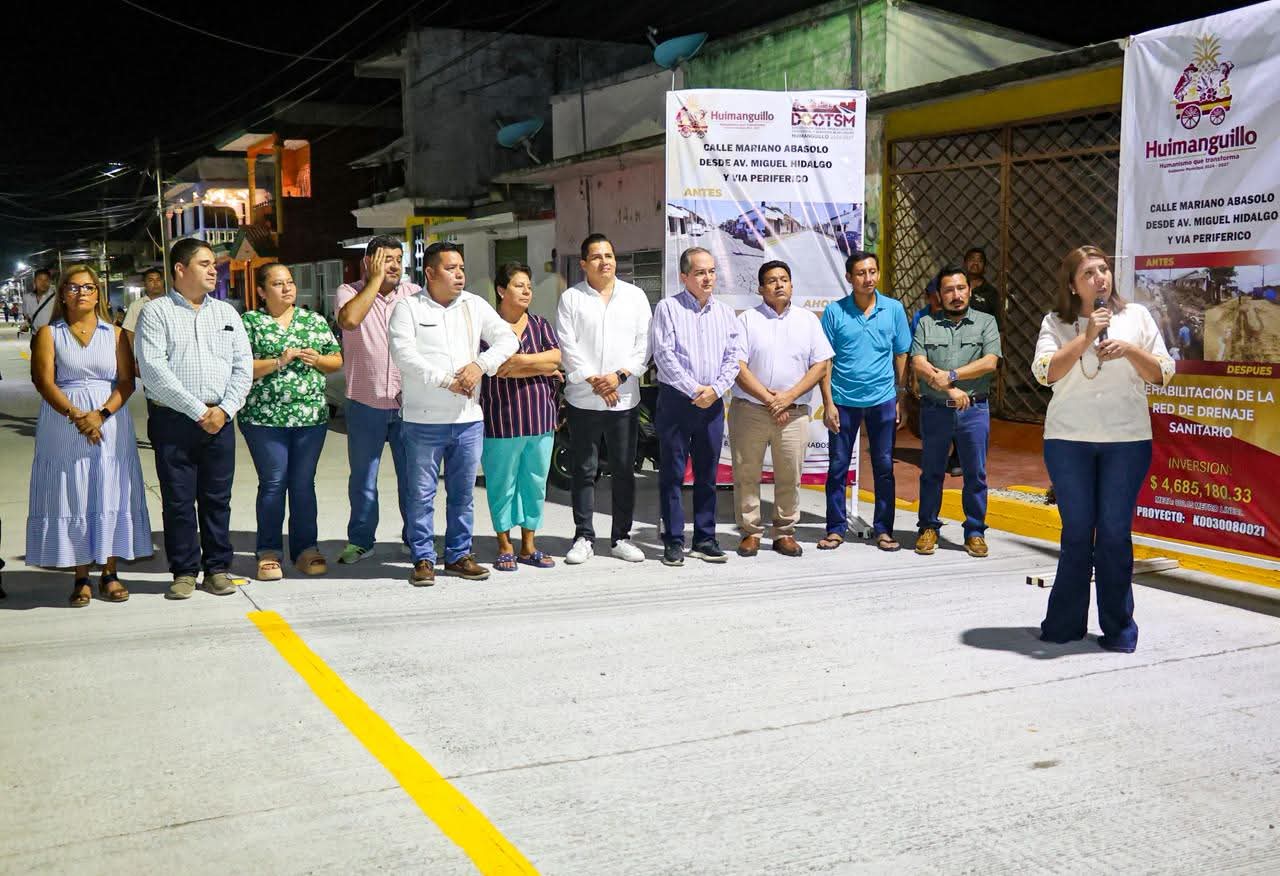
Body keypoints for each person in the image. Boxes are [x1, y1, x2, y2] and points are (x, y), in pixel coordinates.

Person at [1032, 245, 1174, 653]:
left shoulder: (1137, 318)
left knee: (1114, 534)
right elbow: (1046, 373)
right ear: (1074, 286)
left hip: (1126, 442)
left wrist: (1129, 349)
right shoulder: (1056, 322)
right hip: (1068, 442)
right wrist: (1086, 336)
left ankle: (1119, 629)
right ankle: (1063, 624)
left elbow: (1163, 373)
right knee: (1077, 533)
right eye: (1090, 273)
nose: (1101, 278)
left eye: (1104, 270)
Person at [389, 241, 518, 585]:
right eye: (451, 268)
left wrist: (480, 365)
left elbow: (508, 340)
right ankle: (423, 558)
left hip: (467, 421)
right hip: (422, 422)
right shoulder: (408, 309)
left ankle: (459, 554)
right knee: (421, 495)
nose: (459, 274)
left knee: (462, 495)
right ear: (430, 273)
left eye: (461, 267)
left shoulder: (474, 305)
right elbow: (404, 355)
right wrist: (447, 381)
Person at [26, 265, 152, 606]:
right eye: (73, 287)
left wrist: (101, 414)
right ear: (62, 294)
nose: (82, 293)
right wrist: (77, 414)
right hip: (63, 423)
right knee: (74, 493)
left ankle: (109, 573)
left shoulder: (114, 334)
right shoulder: (49, 334)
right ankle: (81, 576)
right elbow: (44, 381)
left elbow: (127, 381)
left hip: (110, 422)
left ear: (98, 294)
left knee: (108, 490)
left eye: (89, 287)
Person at [136, 238, 253, 600]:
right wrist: (200, 411)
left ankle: (217, 568)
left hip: (220, 418)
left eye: (211, 263)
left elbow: (243, 367)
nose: (211, 269)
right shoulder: (155, 313)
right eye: (203, 263)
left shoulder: (227, 313)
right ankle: (185, 570)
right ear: (180, 270)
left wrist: (225, 409)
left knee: (218, 499)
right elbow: (154, 371)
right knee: (178, 500)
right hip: (174, 421)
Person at [240, 263, 343, 580]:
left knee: (302, 484)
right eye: (277, 283)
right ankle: (268, 552)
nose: (287, 288)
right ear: (261, 291)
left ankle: (305, 549)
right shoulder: (251, 322)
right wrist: (278, 361)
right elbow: (240, 367)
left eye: (290, 283)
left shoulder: (312, 320)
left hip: (310, 417)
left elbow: (336, 359)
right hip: (263, 419)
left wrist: (318, 360)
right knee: (273, 483)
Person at [556, 233, 652, 565]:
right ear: (583, 264)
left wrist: (618, 377)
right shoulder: (571, 299)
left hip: (623, 400)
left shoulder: (635, 297)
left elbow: (644, 346)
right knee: (584, 470)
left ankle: (621, 537)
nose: (604, 261)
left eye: (609, 255)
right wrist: (594, 379)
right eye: (596, 257)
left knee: (624, 470)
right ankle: (583, 536)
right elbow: (567, 346)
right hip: (584, 399)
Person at [731, 260, 833, 558]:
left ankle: (784, 532)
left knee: (789, 475)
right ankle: (750, 532)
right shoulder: (747, 320)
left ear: (791, 285)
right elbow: (738, 367)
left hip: (794, 412)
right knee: (747, 473)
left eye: (784, 279)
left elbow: (821, 365)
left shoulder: (808, 321)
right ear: (761, 288)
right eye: (772, 281)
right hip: (751, 410)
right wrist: (769, 399)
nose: (779, 285)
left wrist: (787, 397)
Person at [650, 247, 741, 567]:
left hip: (712, 404)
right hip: (677, 401)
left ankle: (705, 538)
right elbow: (663, 355)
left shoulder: (726, 313)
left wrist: (714, 391)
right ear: (684, 276)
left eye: (712, 271)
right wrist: (694, 390)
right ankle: (673, 541)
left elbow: (734, 358)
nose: (708, 278)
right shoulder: (668, 308)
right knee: (673, 474)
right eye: (700, 272)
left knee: (707, 475)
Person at [334, 235, 419, 565]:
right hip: (364, 403)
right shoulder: (349, 293)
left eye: (398, 259)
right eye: (386, 259)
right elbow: (350, 320)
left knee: (413, 480)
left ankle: (416, 540)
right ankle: (360, 541)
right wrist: (376, 280)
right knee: (364, 480)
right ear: (367, 263)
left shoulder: (414, 295)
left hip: (408, 406)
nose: (394, 265)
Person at [819, 250, 911, 551]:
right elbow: (825, 361)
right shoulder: (835, 312)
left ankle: (883, 530)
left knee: (884, 466)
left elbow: (901, 353)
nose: (868, 278)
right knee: (837, 466)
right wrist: (828, 403)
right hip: (844, 400)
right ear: (849, 277)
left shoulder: (894, 309)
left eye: (872, 271)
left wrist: (900, 395)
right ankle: (835, 528)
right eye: (861, 273)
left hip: (882, 398)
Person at [910, 266, 1002, 558]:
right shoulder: (926, 323)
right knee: (932, 473)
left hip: (974, 410)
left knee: (975, 473)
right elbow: (919, 363)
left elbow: (990, 362)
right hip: (936, 410)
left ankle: (974, 531)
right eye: (949, 290)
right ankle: (928, 527)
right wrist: (949, 388)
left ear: (969, 291)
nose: (956, 295)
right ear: (939, 295)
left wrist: (950, 375)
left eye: (961, 288)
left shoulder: (986, 323)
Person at [479, 262, 561, 572]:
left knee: (535, 483)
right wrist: (540, 366)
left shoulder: (540, 325)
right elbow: (494, 368)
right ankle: (504, 544)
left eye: (529, 285)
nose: (527, 291)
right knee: (502, 484)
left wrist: (519, 361)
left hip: (540, 418)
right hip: (501, 420)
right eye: (518, 285)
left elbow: (555, 358)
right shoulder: (487, 328)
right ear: (501, 290)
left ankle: (529, 545)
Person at [122, 267, 167, 364]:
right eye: (151, 280)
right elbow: (129, 333)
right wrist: (134, 360)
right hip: (145, 357)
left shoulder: (171, 303)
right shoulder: (136, 306)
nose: (155, 283)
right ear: (144, 284)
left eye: (158, 280)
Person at [964, 247, 1001, 329]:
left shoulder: (991, 292)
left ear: (984, 266)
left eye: (980, 261)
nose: (975, 263)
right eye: (972, 259)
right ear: (965, 263)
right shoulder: (956, 288)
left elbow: (998, 326)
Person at [23, 268, 56, 339]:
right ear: (34, 281)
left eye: (46, 280)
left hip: (53, 337)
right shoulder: (27, 298)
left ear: (50, 282)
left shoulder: (56, 298)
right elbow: (27, 317)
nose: (43, 283)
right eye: (40, 279)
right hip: (35, 336)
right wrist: (25, 325)